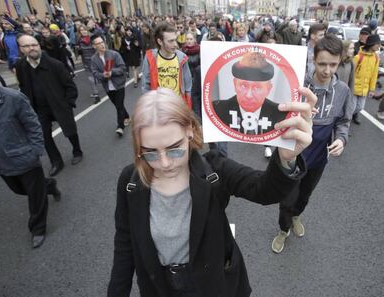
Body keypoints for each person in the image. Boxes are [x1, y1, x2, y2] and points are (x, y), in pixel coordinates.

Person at [106, 86, 316, 297]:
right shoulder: (130, 182)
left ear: (190, 129)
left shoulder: (214, 170)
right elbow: (125, 245)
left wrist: (286, 159)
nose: (164, 163)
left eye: (175, 148)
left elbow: (264, 190)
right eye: (150, 153)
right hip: (159, 287)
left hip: (211, 285)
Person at [272, 34, 354, 254]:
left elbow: (343, 120)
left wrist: (341, 138)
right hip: (292, 152)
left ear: (340, 61)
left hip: (319, 157)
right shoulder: (297, 84)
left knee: (305, 195)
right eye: (322, 64)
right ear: (313, 59)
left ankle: (296, 216)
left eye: (333, 64)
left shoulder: (343, 91)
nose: (327, 70)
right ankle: (283, 229)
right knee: (287, 197)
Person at [0, 53, 61, 249]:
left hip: (25, 157)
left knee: (35, 196)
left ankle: (37, 229)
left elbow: (33, 125)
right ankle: (50, 186)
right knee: (20, 190)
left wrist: (35, 151)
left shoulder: (12, 98)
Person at [15, 34, 83, 177]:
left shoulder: (55, 64)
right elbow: (23, 86)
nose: (31, 48)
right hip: (38, 109)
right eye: (26, 46)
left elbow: (70, 87)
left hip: (59, 105)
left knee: (70, 130)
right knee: (44, 135)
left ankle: (77, 150)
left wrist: (68, 103)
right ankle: (56, 161)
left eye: (34, 45)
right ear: (21, 49)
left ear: (39, 45)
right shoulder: (21, 66)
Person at [213, 51, 288, 135]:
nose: (249, 95)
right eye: (243, 86)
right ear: (235, 84)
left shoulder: (280, 115)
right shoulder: (216, 110)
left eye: (257, 87)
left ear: (268, 89)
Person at [142, 22, 192, 108]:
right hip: (159, 108)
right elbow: (146, 85)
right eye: (171, 41)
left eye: (175, 40)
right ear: (160, 41)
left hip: (178, 106)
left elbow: (188, 86)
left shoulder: (182, 58)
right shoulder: (150, 58)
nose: (175, 45)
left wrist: (187, 108)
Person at [90, 35, 130, 137]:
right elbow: (94, 72)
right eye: (98, 43)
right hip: (107, 86)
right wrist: (102, 75)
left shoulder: (114, 54)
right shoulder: (94, 59)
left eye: (102, 42)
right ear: (94, 46)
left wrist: (112, 72)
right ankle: (126, 116)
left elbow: (122, 68)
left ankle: (120, 127)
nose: (102, 44)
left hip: (119, 84)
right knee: (117, 105)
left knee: (119, 105)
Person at [352, 34, 380, 125]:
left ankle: (348, 115)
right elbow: (351, 73)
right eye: (377, 44)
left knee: (360, 107)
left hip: (364, 89)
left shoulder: (376, 58)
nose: (379, 46)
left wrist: (372, 89)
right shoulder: (358, 57)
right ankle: (344, 122)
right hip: (354, 88)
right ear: (372, 44)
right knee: (352, 107)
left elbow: (374, 74)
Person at [76, 25, 100, 103]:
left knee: (100, 76)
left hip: (95, 61)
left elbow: (99, 48)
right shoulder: (79, 40)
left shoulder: (93, 38)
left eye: (84, 29)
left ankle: (110, 88)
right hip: (86, 62)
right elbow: (79, 51)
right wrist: (78, 50)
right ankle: (96, 95)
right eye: (81, 30)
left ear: (87, 30)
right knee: (91, 79)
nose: (83, 31)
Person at [181, 32, 201, 119]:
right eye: (187, 39)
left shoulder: (200, 51)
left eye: (191, 39)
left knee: (195, 101)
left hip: (196, 81)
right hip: (186, 81)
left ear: (195, 40)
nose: (189, 41)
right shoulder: (182, 51)